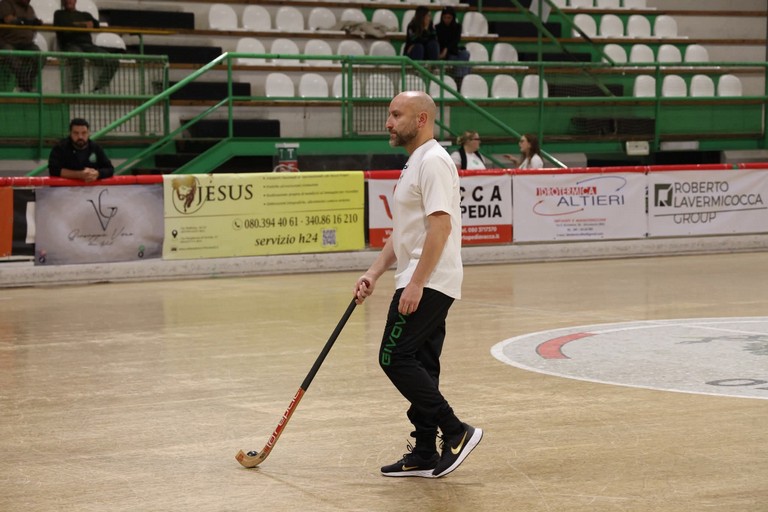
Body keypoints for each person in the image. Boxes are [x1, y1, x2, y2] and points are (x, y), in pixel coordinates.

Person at [354, 91, 482, 479]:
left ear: (422, 119)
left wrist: (418, 283)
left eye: (396, 114)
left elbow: (440, 226)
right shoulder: (414, 164)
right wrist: (373, 273)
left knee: (394, 357)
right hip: (419, 278)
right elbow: (403, 234)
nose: (389, 123)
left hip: (428, 280)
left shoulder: (434, 162)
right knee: (423, 363)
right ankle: (425, 449)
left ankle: (456, 431)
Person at [53, 0, 120, 93]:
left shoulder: (85, 14)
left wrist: (77, 25)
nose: (69, 1)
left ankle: (100, 87)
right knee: (78, 56)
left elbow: (95, 24)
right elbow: (65, 24)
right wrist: (84, 24)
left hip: (88, 46)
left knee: (113, 61)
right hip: (70, 44)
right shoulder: (59, 14)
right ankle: (75, 87)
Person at [48, 118, 114, 181]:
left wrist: (98, 173)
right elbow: (53, 170)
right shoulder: (60, 148)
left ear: (88, 133)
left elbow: (110, 169)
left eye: (84, 133)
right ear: (70, 133)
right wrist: (79, 175)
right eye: (76, 133)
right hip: (64, 190)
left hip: (91, 190)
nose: (80, 137)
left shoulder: (95, 148)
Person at [0, 0, 42, 92]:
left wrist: (36, 23)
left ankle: (24, 84)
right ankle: (26, 85)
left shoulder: (30, 9)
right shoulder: (6, 3)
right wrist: (24, 21)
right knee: (10, 54)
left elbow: (33, 25)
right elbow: (8, 19)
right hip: (8, 42)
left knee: (40, 57)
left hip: (27, 44)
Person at [435, 6, 470, 83]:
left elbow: (456, 40)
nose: (447, 20)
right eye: (445, 17)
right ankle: (460, 80)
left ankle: (460, 78)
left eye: (449, 18)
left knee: (465, 54)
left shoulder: (457, 27)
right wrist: (444, 51)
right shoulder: (437, 28)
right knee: (456, 60)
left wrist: (447, 48)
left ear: (453, 18)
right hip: (444, 54)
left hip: (453, 50)